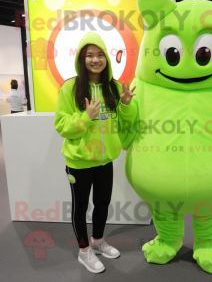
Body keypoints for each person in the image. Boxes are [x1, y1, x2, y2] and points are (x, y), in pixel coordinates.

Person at [54, 31, 137, 274]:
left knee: (102, 204)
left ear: (106, 59)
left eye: (100, 55)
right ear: (82, 58)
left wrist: (126, 104)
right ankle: (84, 251)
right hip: (79, 162)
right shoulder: (70, 88)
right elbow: (61, 126)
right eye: (89, 55)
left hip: (105, 161)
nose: (95, 60)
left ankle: (98, 241)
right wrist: (85, 118)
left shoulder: (112, 87)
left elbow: (124, 123)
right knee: (80, 208)